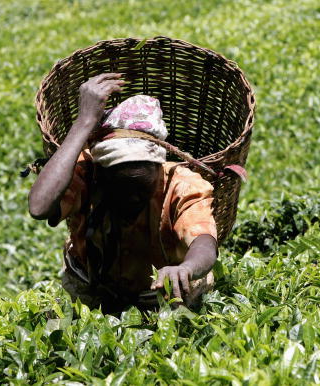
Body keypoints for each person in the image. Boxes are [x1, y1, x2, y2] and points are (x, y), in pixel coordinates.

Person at [28, 73, 218, 312]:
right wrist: (84, 122)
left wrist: (186, 269)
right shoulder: (87, 174)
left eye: (141, 188)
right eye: (120, 187)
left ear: (159, 168)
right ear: (101, 173)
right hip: (93, 285)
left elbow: (204, 243)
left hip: (166, 293)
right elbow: (39, 207)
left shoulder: (182, 184)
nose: (131, 199)